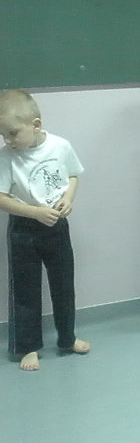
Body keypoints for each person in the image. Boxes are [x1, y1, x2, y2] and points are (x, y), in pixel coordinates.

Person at [0, 89, 90, 371]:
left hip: (56, 226)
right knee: (25, 289)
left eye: (12, 133)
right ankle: (28, 347)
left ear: (36, 124)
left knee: (64, 285)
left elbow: (73, 175)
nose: (7, 140)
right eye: (2, 134)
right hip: (23, 229)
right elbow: (1, 197)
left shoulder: (60, 146)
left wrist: (68, 199)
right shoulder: (7, 156)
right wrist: (35, 212)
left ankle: (67, 338)